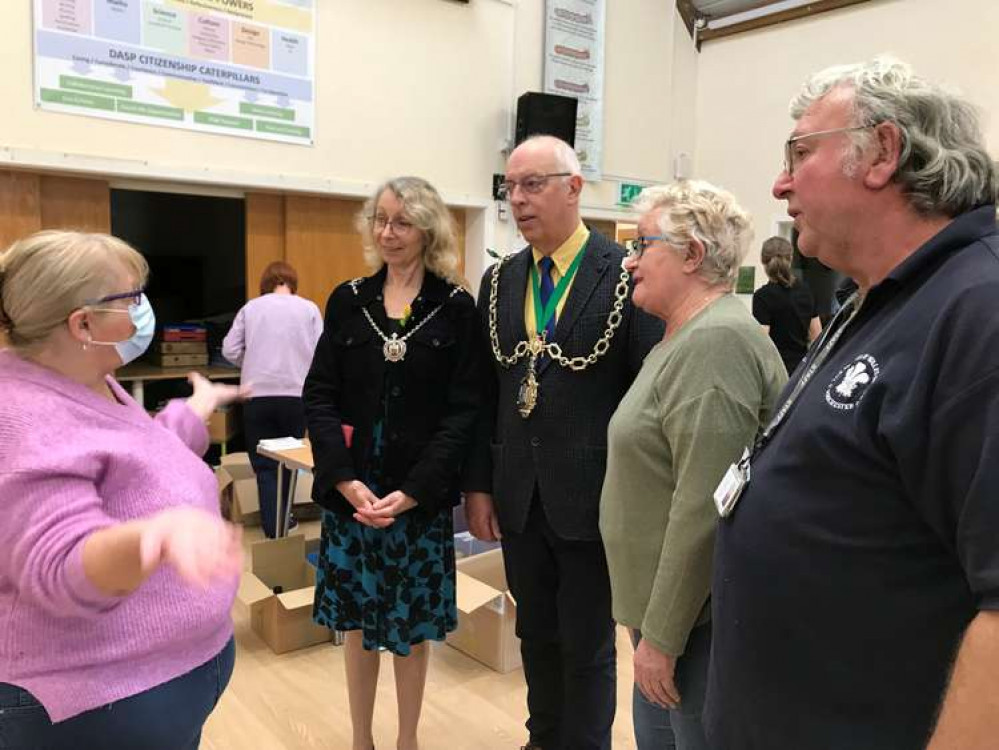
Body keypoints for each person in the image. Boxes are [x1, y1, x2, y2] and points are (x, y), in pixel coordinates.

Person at [705, 56, 999, 750]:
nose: (779, 183)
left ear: (883, 154)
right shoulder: (873, 296)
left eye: (798, 153)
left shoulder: (978, 312)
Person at [0, 231, 245, 749]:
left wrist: (195, 409)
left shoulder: (86, 378)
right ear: (82, 323)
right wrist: (154, 536)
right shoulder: (25, 416)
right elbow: (61, 565)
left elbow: (139, 456)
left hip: (157, 686)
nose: (143, 310)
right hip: (95, 703)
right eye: (130, 298)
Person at [464, 135, 664, 750]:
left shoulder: (623, 273)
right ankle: (543, 739)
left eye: (533, 185)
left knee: (586, 646)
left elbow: (644, 394)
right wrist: (477, 485)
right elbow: (484, 395)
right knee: (535, 637)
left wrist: (639, 505)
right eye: (511, 187)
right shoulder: (500, 281)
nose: (518, 200)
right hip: (519, 497)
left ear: (574, 188)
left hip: (594, 501)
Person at [600, 181, 786, 750]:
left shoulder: (716, 343)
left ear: (693, 254)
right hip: (672, 618)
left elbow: (704, 504)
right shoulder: (682, 336)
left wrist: (661, 637)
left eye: (640, 245)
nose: (628, 261)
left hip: (693, 626)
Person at [303, 176, 486, 750]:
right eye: (380, 220)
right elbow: (319, 396)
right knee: (357, 626)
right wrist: (343, 478)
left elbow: (465, 412)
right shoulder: (347, 300)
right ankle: (363, 739)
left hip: (417, 502)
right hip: (353, 502)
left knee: (411, 631)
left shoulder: (456, 310)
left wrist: (414, 491)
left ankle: (408, 738)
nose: (388, 232)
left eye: (402, 222)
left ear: (428, 229)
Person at [223, 260, 323, 537]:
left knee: (265, 467)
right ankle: (284, 517)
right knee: (289, 461)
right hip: (296, 395)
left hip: (258, 396)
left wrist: (252, 362)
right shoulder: (309, 309)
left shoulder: (251, 308)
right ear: (292, 282)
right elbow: (322, 352)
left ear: (266, 282)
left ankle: (274, 529)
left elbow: (229, 350)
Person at [751, 236, 821, 374]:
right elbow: (817, 336)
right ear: (790, 259)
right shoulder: (806, 291)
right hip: (801, 368)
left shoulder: (762, 296)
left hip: (776, 370)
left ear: (763, 262)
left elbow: (762, 342)